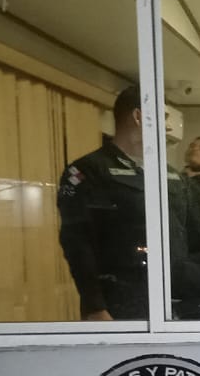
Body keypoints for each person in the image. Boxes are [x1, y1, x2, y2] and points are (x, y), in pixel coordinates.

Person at [58, 86, 187, 320]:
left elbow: (186, 236)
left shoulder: (170, 174)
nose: (168, 127)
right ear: (138, 117)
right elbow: (78, 244)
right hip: (119, 302)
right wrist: (95, 306)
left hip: (174, 298)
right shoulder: (90, 170)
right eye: (164, 117)